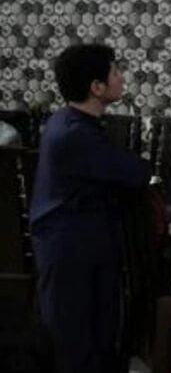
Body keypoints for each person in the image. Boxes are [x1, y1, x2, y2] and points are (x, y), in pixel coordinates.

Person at [30, 44, 151, 373]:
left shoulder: (69, 121)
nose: (121, 78)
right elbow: (134, 172)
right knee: (76, 344)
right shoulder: (75, 133)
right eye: (115, 72)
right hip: (70, 248)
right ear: (96, 87)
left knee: (99, 334)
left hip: (84, 241)